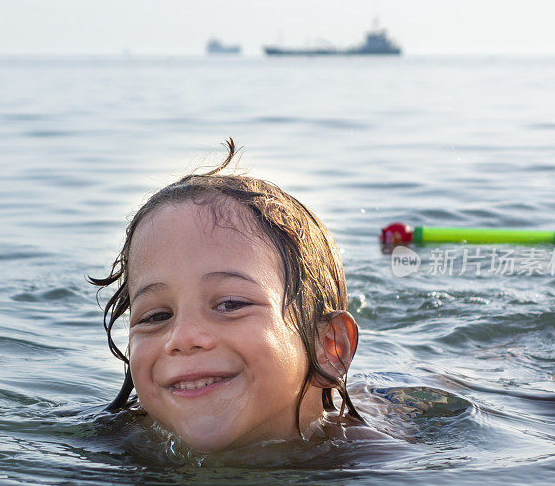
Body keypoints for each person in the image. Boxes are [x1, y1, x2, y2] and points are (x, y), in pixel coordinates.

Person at [89, 139, 377, 454]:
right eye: (156, 316)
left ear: (329, 347)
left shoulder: (379, 466)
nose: (182, 338)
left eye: (230, 305)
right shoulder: (109, 445)